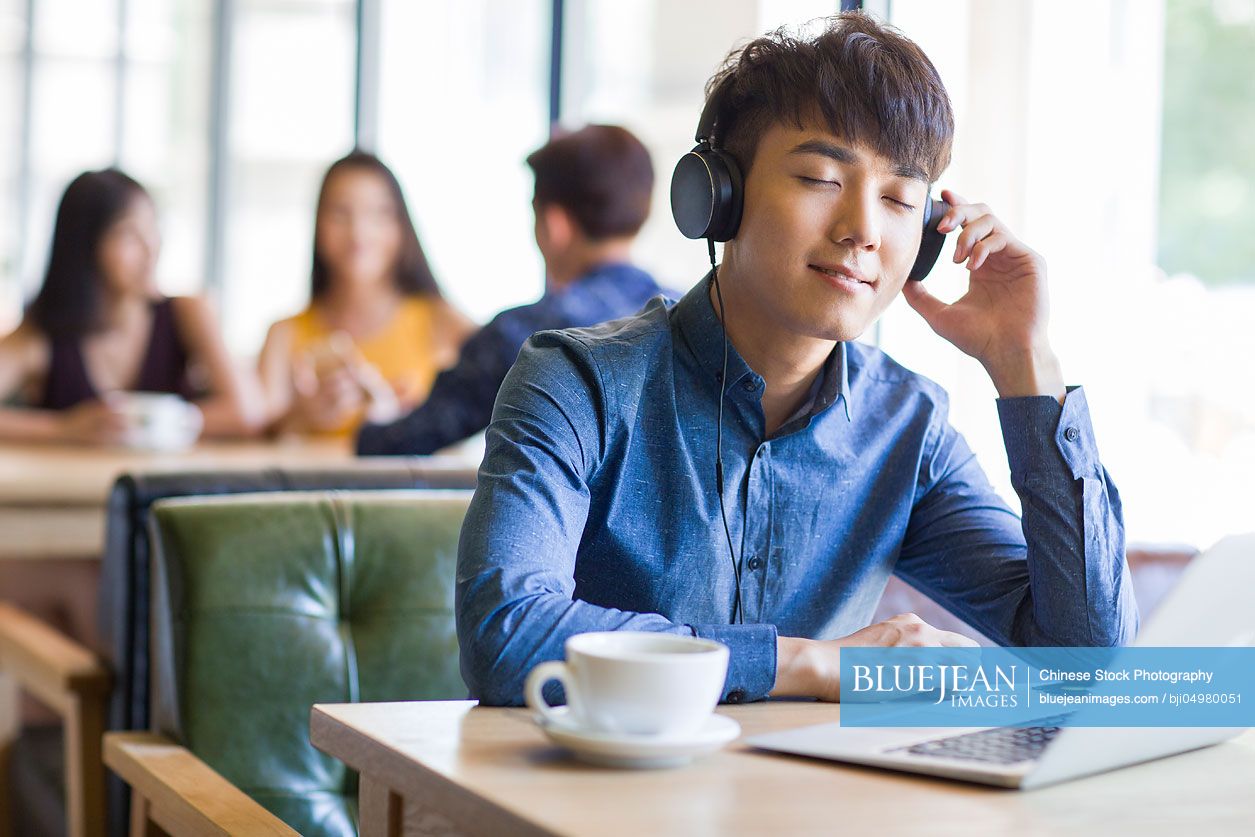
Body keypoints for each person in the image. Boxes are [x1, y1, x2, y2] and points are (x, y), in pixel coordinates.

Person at [456, 13, 1138, 707]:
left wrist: (1024, 362)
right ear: (716, 196)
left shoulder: (906, 426)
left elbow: (1086, 659)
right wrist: (810, 664)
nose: (863, 231)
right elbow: (507, 636)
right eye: (819, 177)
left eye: (900, 198)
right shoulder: (576, 384)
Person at [355, 124, 670, 456]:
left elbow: (403, 440)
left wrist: (377, 416)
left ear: (554, 224)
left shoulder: (525, 336)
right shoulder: (692, 315)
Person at [0, 169, 261, 444]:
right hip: (72, 487)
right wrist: (63, 429)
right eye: (129, 234)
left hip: (167, 486)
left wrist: (161, 423)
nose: (152, 248)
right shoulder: (43, 335)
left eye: (153, 228)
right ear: (84, 245)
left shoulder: (187, 312)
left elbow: (248, 412)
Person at [258, 151, 475, 437]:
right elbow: (256, 434)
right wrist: (302, 416)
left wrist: (413, 419)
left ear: (401, 226)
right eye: (340, 213)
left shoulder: (443, 321)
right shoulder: (283, 335)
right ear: (317, 225)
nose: (358, 232)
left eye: (379, 214)